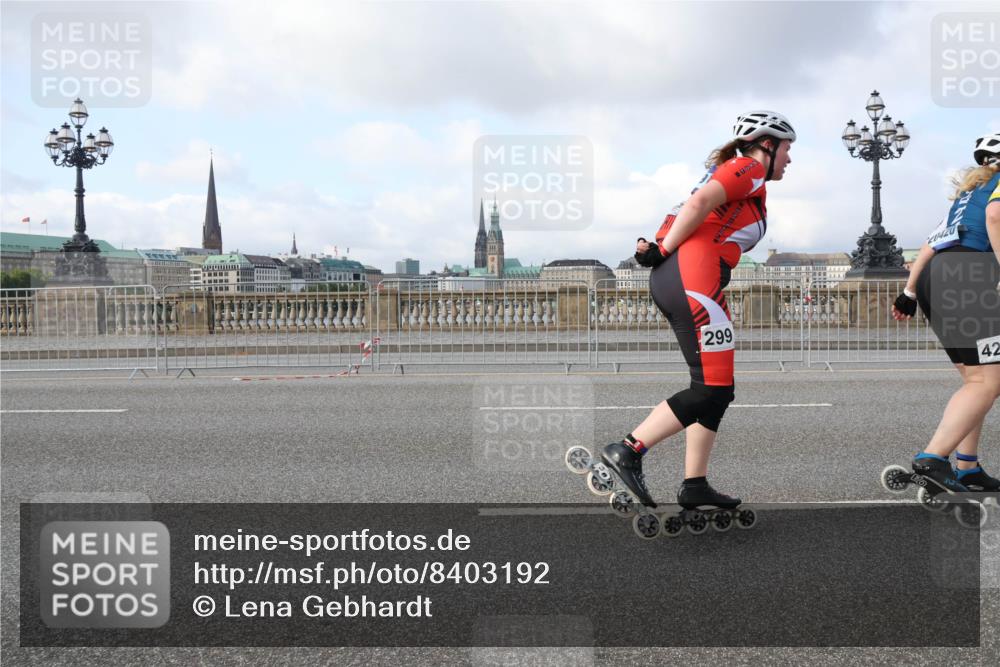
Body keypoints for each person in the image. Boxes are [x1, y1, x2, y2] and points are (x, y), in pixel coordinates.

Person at [601, 110, 795, 510]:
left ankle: (695, 484)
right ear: (767, 146)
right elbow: (700, 201)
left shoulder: (734, 171)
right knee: (712, 388)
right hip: (693, 280)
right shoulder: (748, 168)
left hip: (681, 279)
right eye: (787, 149)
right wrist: (663, 249)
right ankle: (628, 450)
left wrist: (659, 251)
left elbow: (693, 210)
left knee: (717, 391)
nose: (790, 159)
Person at [892, 132, 1000, 496]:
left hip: (936, 278)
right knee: (988, 382)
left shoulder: (966, 195)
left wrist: (908, 291)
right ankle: (933, 459)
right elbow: (997, 217)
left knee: (977, 382)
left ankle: (967, 467)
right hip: (969, 280)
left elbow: (931, 241)